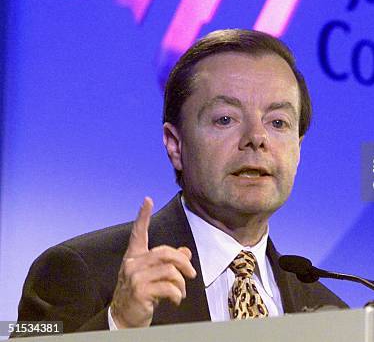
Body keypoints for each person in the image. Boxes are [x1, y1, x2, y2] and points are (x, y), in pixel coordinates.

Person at [14, 29, 346, 336]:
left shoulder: (332, 314)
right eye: (225, 119)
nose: (256, 138)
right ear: (175, 145)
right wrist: (119, 326)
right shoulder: (77, 271)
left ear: (298, 148)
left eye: (278, 122)